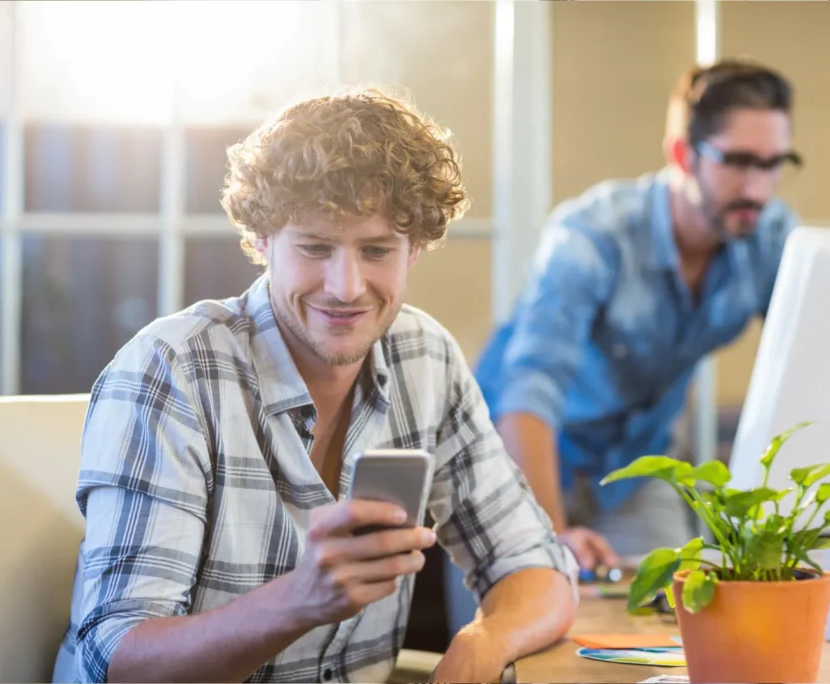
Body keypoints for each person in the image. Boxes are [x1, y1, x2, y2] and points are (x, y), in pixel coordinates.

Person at [52, 89, 577, 684]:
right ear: (262, 240)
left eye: (376, 250)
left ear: (415, 250)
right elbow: (114, 660)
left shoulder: (426, 357)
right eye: (315, 247)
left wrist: (484, 642)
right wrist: (298, 601)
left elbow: (538, 569)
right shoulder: (172, 370)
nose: (346, 286)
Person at [474, 58, 803, 572]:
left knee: (676, 610)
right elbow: (530, 387)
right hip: (515, 455)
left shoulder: (767, 235)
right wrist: (550, 535)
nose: (758, 189)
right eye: (738, 162)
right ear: (682, 155)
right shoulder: (592, 236)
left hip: (630, 467)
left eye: (773, 164)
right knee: (524, 614)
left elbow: (818, 352)